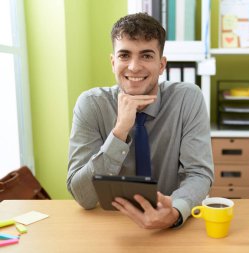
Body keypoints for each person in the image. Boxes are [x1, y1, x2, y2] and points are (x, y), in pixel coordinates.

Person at [67, 13, 214, 229]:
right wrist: (120, 131)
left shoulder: (188, 98)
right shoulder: (90, 104)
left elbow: (199, 174)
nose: (134, 67)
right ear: (113, 61)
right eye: (125, 55)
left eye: (146, 56)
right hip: (113, 224)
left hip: (171, 222)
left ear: (162, 64)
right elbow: (84, 197)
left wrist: (175, 211)